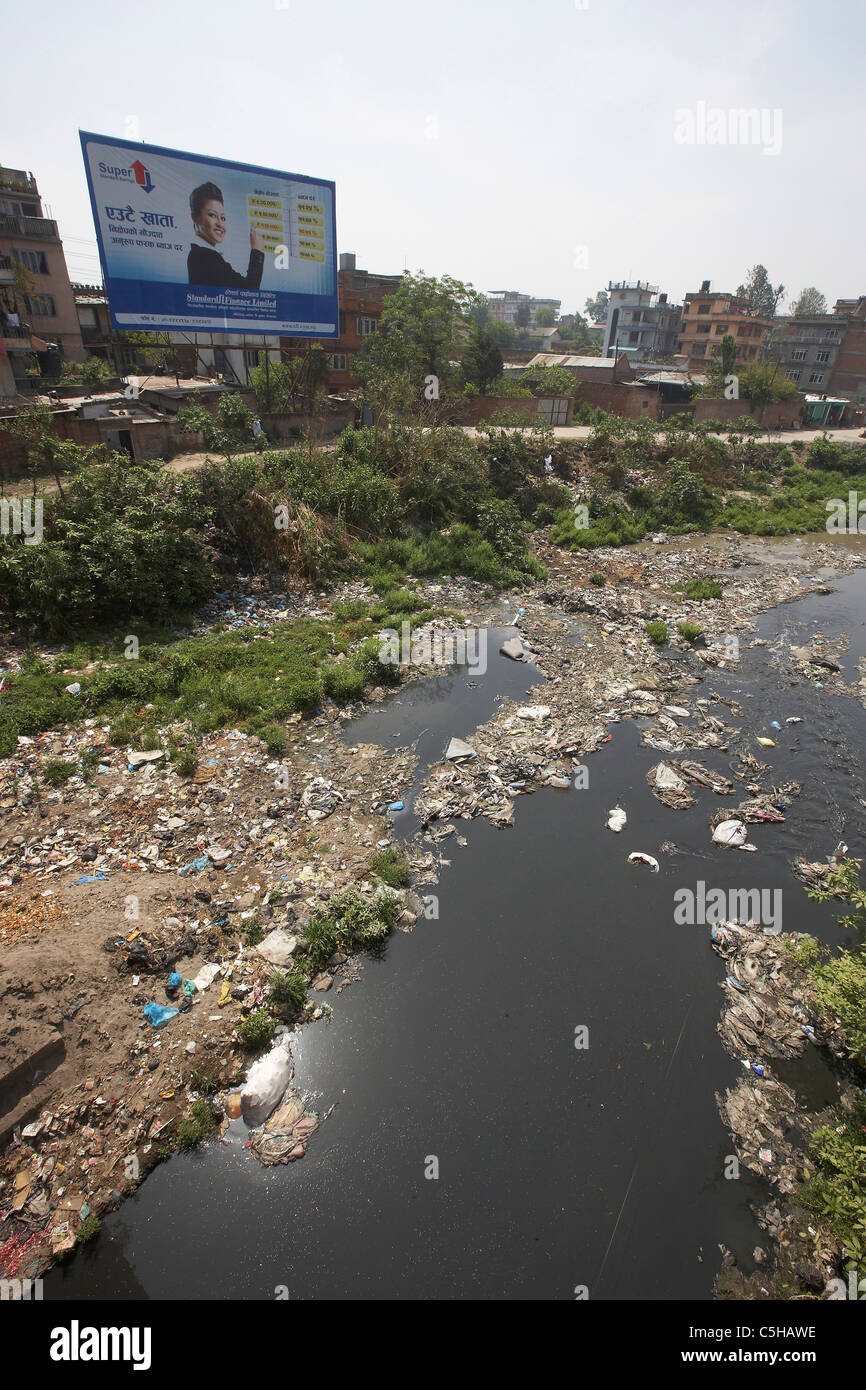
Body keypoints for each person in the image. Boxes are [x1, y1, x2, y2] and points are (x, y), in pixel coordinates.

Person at [187, 181, 264, 289]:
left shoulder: (200, 253)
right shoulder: (205, 257)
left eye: (223, 218)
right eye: (212, 215)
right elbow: (249, 290)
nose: (220, 223)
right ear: (195, 217)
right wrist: (257, 250)